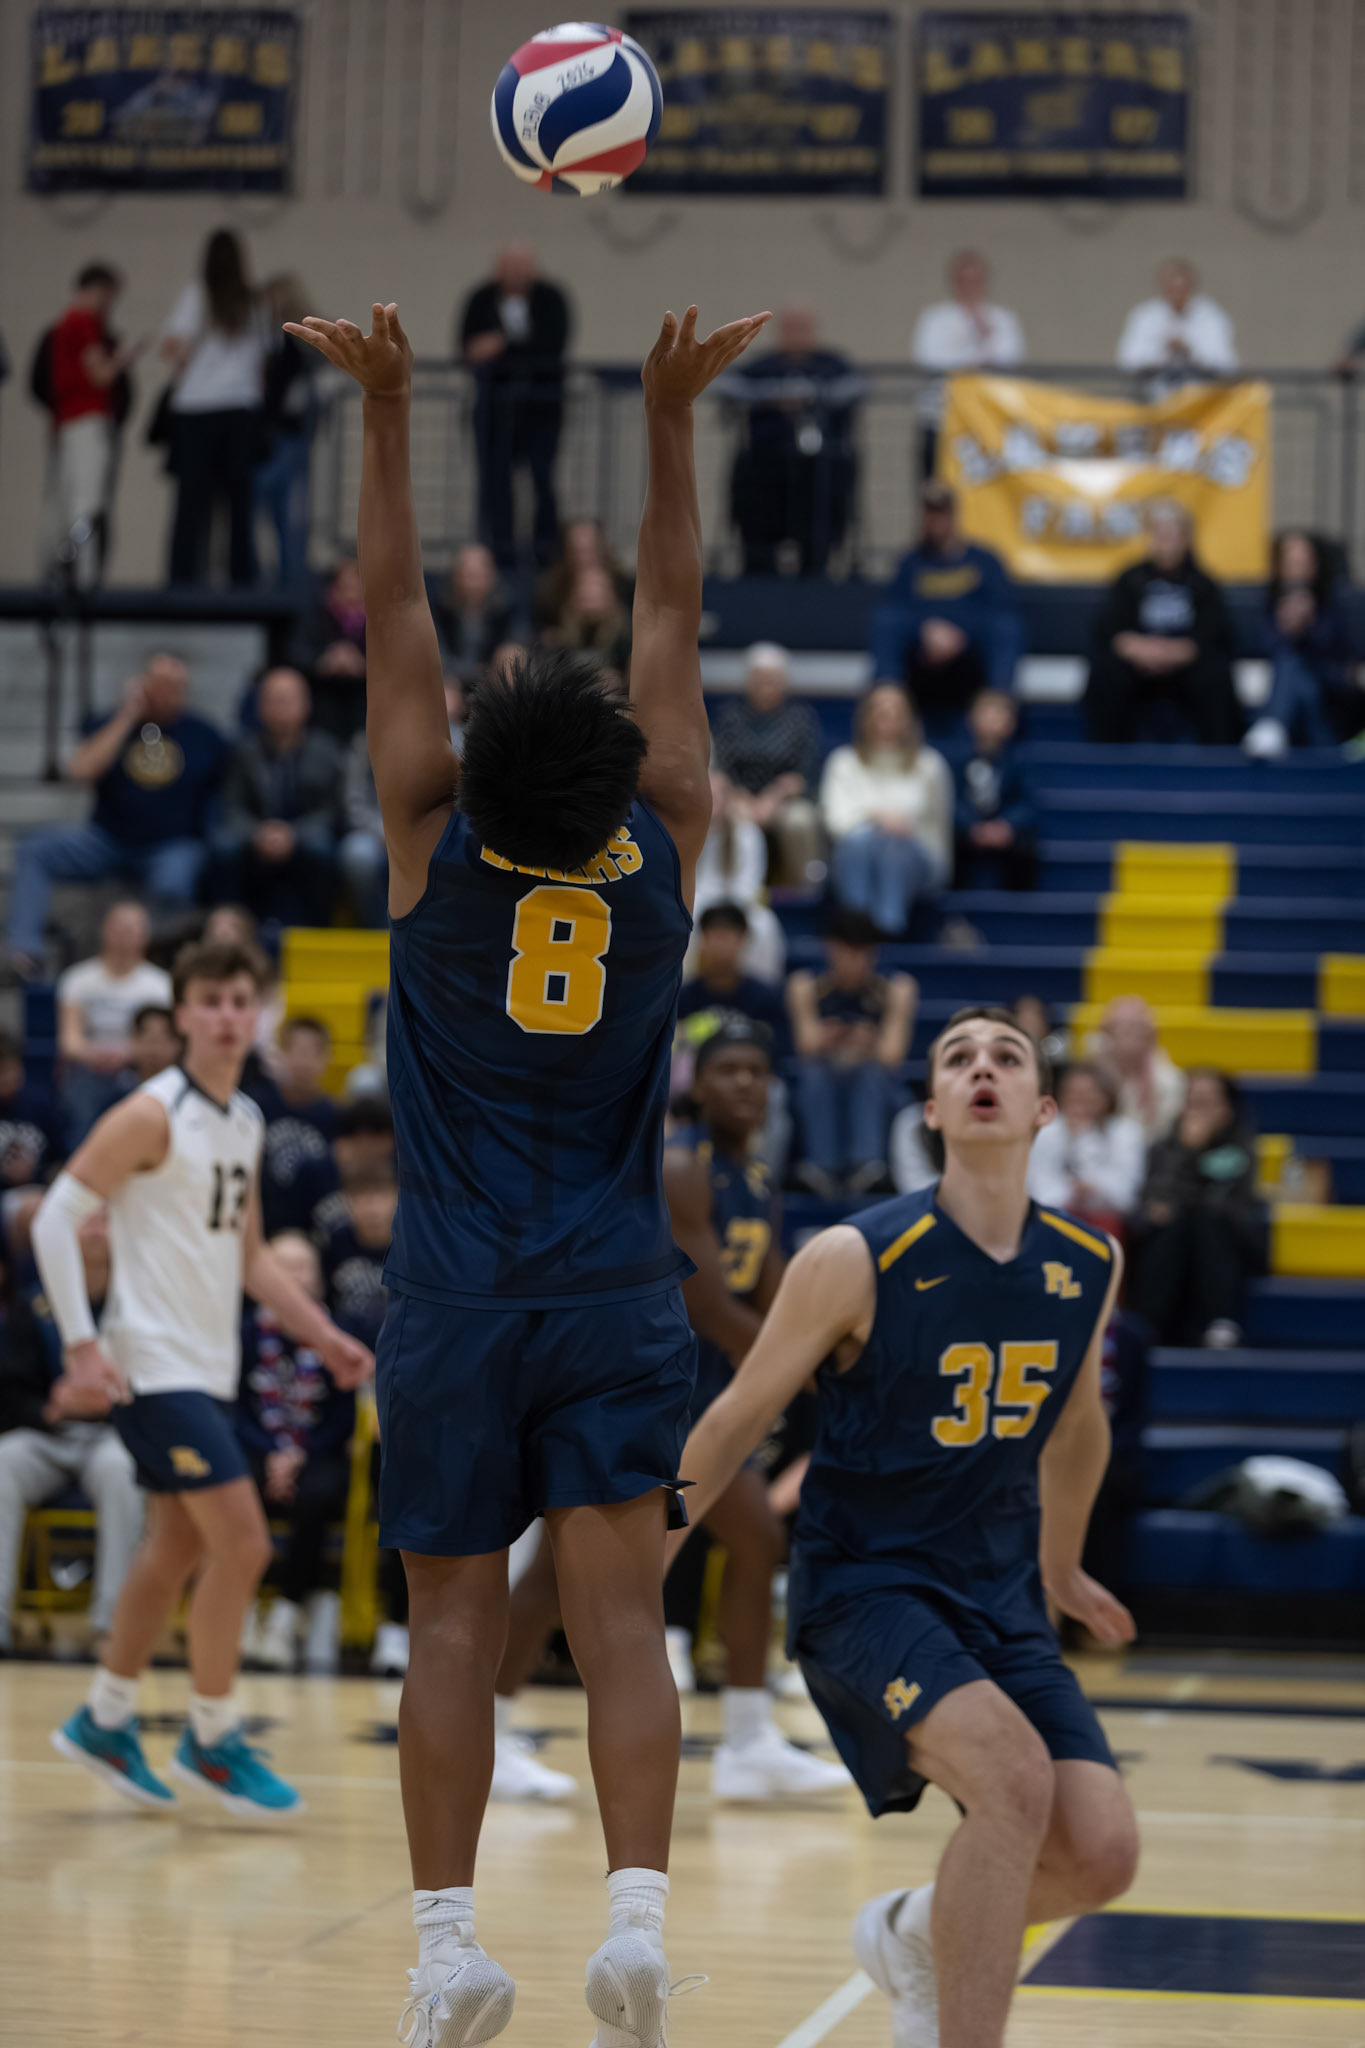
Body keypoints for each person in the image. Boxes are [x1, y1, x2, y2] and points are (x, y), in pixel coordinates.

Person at [285, 290, 769, 2043]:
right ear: (616, 774)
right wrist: (668, 419)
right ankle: (635, 1923)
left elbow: (397, 609)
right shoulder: (671, 832)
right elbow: (670, 607)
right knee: (624, 1618)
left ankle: (447, 1956)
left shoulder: (429, 837)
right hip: (618, 1289)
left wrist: (387, 409)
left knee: (448, 1621)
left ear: (476, 769)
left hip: (455, 1296)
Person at [671, 1006, 1139, 2048]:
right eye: (958, 1058)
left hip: (999, 1593)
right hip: (864, 1587)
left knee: (1100, 1855)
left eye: (1007, 1057)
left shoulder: (1088, 1261)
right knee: (1012, 1780)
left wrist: (1062, 1565)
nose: (983, 1068)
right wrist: (644, 1555)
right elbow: (736, 1416)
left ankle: (912, 1934)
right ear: (931, 1109)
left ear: (1044, 1109)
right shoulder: (855, 1254)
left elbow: (1077, 1425)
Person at [33, 939, 371, 1815]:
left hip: (207, 1369)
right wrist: (81, 1344)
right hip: (151, 1365)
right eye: (210, 1000)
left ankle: (105, 1717)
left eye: (238, 1000)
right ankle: (213, 1738)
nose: (226, 1015)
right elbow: (54, 1219)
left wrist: (325, 1334)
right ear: (181, 1013)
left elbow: (251, 1258)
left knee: (176, 1549)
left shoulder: (245, 1119)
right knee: (245, 1544)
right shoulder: (151, 1113)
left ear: (256, 1014)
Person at [489, 1020, 849, 1806]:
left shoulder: (757, 1178)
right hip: (640, 1388)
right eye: (728, 1070)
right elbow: (711, 1307)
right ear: (698, 1085)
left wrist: (831, 1349)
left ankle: (748, 1742)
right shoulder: (681, 1169)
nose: (744, 1082)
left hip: (703, 1397)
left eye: (756, 1070)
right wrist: (810, 1376)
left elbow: (770, 1294)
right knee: (562, 1576)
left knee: (753, 1541)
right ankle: (488, 1731)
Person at [7, 653, 228, 978]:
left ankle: (154, 960)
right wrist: (127, 715)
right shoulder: (110, 723)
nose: (168, 695)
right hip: (107, 841)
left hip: (169, 845)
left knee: (177, 873)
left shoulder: (205, 735)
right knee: (35, 849)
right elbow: (81, 770)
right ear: (142, 684)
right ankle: (26, 953)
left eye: (176, 687)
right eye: (160, 685)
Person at [0, 1213, 144, 1656]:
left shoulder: (139, 1303)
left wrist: (111, 1404)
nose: (97, 1231)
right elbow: (9, 1387)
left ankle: (112, 1625)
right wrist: (52, 1407)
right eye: (87, 1221)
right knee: (3, 1461)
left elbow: (156, 1385)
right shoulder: (34, 1300)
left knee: (123, 1472)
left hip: (112, 1435)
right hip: (46, 1432)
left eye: (105, 1221)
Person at [237, 1230, 356, 1674]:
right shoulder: (244, 1332)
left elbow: (345, 1414)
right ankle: (239, 1610)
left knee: (317, 1497)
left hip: (316, 1452)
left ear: (320, 1278)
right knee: (234, 1490)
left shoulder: (337, 1334)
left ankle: (287, 1615)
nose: (291, 1275)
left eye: (301, 1265)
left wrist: (299, 1454)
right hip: (256, 1447)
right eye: (280, 1265)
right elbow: (235, 1407)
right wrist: (271, 1452)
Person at [1129, 1067, 1265, 1348]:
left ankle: (1221, 1320)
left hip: (1224, 1240)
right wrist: (1185, 1151)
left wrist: (1193, 1152)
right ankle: (1150, 1324)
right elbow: (1152, 1196)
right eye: (1192, 1102)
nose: (1197, 1111)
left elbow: (1227, 1202)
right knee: (1170, 1225)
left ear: (1227, 1109)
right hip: (1173, 1240)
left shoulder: (1240, 1149)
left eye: (1206, 1102)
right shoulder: (1163, 1148)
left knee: (1206, 1221)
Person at [722, 304, 862, 575]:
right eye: (790, 329)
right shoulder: (763, 365)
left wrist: (815, 395)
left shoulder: (831, 364)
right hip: (766, 466)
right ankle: (759, 571)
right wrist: (772, 397)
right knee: (753, 508)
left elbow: (858, 386)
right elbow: (728, 386)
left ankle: (816, 572)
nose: (796, 335)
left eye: (802, 328)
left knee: (822, 516)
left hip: (818, 472)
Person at [162, 227, 268, 585]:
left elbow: (172, 350)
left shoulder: (197, 295)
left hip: (197, 408)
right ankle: (241, 580)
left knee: (191, 502)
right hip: (240, 407)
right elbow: (262, 362)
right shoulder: (254, 301)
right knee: (239, 503)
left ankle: (183, 580)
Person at [1084, 503, 1240, 745]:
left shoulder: (1202, 583)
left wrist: (1170, 653)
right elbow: (1111, 630)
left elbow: (1213, 635)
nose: (1165, 543)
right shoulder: (1129, 579)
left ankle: (1218, 757)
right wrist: (1142, 650)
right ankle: (1105, 755)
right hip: (1137, 667)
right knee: (1106, 674)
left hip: (1186, 669)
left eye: (1172, 536)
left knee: (1216, 676)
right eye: (1159, 535)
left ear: (1186, 541)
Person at [870, 482, 1023, 723]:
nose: (936, 520)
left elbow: (999, 607)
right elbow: (897, 606)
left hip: (970, 650)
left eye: (941, 512)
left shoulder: (984, 560)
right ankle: (887, 697)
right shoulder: (910, 563)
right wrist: (926, 630)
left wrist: (960, 635)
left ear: (954, 515)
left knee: (1006, 626)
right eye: (930, 512)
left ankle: (997, 704)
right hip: (922, 649)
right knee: (886, 620)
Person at [458, 244, 571, 570]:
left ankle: (545, 553)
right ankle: (499, 551)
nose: (516, 274)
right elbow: (468, 347)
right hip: (494, 407)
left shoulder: (550, 298)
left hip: (542, 407)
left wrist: (502, 345)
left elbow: (552, 344)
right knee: (495, 481)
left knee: (542, 479)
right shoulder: (481, 298)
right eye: (510, 267)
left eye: (522, 267)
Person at [787, 913, 917, 1196]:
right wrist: (838, 1039)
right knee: (814, 1074)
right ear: (830, 948)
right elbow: (807, 1046)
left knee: (870, 1074)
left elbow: (892, 1056)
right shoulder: (805, 984)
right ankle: (820, 1168)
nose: (854, 960)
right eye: (846, 950)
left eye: (863, 952)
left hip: (879, 1089)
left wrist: (866, 1043)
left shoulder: (897, 988)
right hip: (826, 1082)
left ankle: (867, 1166)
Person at [206, 666, 343, 929]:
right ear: (259, 707)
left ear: (306, 705)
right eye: (273, 700)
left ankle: (317, 928)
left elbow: (332, 810)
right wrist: (257, 833)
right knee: (224, 847)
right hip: (256, 833)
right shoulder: (243, 751)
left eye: (287, 700)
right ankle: (231, 928)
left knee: (321, 847)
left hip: (304, 833)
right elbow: (232, 806)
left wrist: (294, 834)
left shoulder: (327, 751)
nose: (280, 708)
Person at [37, 261, 142, 588]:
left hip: (68, 424)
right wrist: (125, 355)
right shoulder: (82, 323)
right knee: (88, 504)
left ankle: (66, 575)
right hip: (87, 422)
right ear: (100, 292)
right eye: (109, 298)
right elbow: (101, 375)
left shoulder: (63, 326)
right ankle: (82, 578)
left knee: (68, 501)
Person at [820, 685, 953, 935]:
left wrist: (901, 832)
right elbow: (835, 824)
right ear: (865, 718)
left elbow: (939, 832)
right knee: (858, 841)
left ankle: (886, 930)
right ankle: (858, 926)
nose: (888, 719)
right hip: (856, 854)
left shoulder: (930, 765)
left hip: (916, 857)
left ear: (910, 719)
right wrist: (878, 818)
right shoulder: (843, 762)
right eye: (880, 711)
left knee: (893, 849)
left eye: (896, 712)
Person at [57, 902, 174, 1147]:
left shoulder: (161, 985)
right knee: (83, 1101)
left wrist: (128, 1053)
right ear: (104, 930)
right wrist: (96, 1055)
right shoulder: (77, 979)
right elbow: (70, 1041)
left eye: (131, 929)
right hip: (89, 1068)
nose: (123, 935)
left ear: (145, 936)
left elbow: (166, 1044)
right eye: (118, 927)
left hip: (140, 1068)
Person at [710, 643, 825, 885]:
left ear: (783, 682)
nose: (764, 686)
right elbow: (724, 768)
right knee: (731, 818)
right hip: (740, 796)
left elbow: (804, 772)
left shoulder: (800, 719)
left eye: (771, 680)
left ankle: (804, 888)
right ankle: (734, 889)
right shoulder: (731, 717)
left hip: (786, 799)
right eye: (758, 679)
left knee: (799, 821)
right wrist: (742, 799)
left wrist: (772, 799)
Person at [1244, 530, 1364, 755]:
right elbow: (1267, 648)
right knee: (1293, 669)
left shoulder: (1334, 597)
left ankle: (1273, 725)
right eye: (1291, 562)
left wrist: (1310, 624)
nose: (1297, 568)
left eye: (1303, 561)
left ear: (1316, 564)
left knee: (1296, 669)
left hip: (1330, 683)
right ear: (1279, 566)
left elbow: (1337, 652)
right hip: (1293, 684)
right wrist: (1287, 630)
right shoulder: (1269, 599)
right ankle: (1323, 749)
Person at [910, 249, 1026, 478]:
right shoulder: (936, 319)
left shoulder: (1002, 319)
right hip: (940, 419)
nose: (970, 287)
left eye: (975, 280)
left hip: (990, 419)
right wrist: (976, 361)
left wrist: (985, 335)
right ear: (953, 283)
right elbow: (928, 357)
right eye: (963, 280)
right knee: (936, 483)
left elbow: (1011, 356)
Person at [254, 274, 322, 588]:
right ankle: (287, 582)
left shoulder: (285, 344)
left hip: (279, 438)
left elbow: (278, 396)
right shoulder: (307, 344)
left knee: (281, 518)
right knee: (289, 520)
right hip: (290, 438)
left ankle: (284, 584)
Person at [1027, 1063, 1146, 1241]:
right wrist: (1070, 1192)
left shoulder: (1125, 1132)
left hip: (1105, 1221)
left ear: (1106, 1095)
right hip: (1054, 1219)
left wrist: (1094, 1188)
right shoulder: (1046, 1131)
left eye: (1089, 1092)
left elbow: (1127, 1194)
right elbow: (1037, 1187)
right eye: (1073, 1092)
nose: (1080, 1099)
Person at [692, 772, 786, 983]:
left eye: (719, 796)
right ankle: (688, 985)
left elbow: (751, 882)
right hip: (699, 903)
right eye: (709, 795)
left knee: (765, 924)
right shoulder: (689, 833)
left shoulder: (748, 833)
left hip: (738, 902)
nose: (714, 802)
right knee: (687, 918)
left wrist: (728, 903)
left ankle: (765, 986)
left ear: (729, 800)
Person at [250, 1017, 339, 1238]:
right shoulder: (255, 1106)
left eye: (312, 1052)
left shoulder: (334, 1117)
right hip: (260, 1223)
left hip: (314, 1231)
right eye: (296, 1051)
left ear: (326, 1058)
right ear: (280, 1054)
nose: (303, 1061)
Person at [951, 687, 1038, 892]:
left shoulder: (1020, 762)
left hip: (1006, 829)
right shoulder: (958, 760)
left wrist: (1006, 825)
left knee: (1026, 847)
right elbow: (952, 800)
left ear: (1012, 723)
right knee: (950, 843)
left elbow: (1027, 802)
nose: (992, 721)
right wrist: (972, 827)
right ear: (971, 719)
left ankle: (1018, 902)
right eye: (986, 714)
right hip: (969, 829)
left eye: (999, 715)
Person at [1116, 259, 1238, 399]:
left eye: (1182, 289)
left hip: (1201, 398)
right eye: (1171, 289)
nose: (1177, 295)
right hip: (1153, 397)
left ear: (1192, 288)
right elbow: (1128, 360)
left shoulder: (1211, 317)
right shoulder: (1145, 316)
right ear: (1163, 287)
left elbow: (1227, 364)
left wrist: (1190, 351)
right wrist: (1163, 350)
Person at [675, 904, 790, 1052]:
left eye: (727, 936)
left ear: (743, 939)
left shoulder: (767, 998)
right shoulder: (682, 998)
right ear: (703, 939)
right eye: (715, 936)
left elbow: (780, 1050)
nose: (721, 945)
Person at [291, 559, 368, 744]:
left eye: (357, 588)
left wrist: (363, 664)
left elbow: (397, 662)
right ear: (332, 589)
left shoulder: (381, 619)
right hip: (322, 706)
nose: (351, 595)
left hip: (367, 705)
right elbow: (296, 653)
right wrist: (325, 661)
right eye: (344, 588)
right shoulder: (315, 614)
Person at [1093, 995, 1185, 1144]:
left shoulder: (1169, 1080)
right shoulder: (1094, 1073)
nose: (1125, 1037)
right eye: (1116, 1029)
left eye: (1133, 1029)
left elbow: (1164, 1131)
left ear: (1149, 1035)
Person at [434, 545, 519, 679]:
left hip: (493, 677)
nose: (475, 585)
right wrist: (469, 671)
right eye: (470, 576)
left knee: (512, 656)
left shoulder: (506, 606)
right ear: (456, 577)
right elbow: (439, 654)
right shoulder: (441, 607)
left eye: (481, 576)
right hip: (452, 677)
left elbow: (517, 642)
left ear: (492, 577)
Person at [0, 1031, 65, 1192]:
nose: (9, 1078)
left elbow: (60, 1159)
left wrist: (38, 1174)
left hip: (38, 1191)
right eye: (2, 1072)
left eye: (13, 1069)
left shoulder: (39, 1104)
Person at [128, 1005, 182, 1085]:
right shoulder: (117, 1084)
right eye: (148, 1039)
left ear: (178, 1044)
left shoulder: (187, 1086)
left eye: (162, 1040)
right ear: (134, 1039)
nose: (154, 1047)